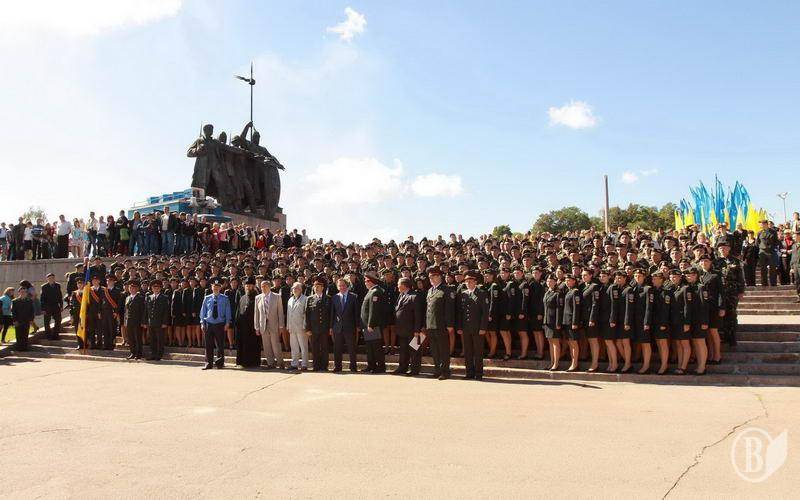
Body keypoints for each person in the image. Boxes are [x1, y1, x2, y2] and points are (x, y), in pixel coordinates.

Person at [456, 270, 490, 380]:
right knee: (468, 351)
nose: (468, 283)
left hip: (477, 327)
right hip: (466, 327)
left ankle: (479, 373)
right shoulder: (463, 294)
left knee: (478, 351)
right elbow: (460, 312)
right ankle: (469, 373)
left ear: (475, 282)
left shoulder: (481, 293)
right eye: (466, 281)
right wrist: (459, 327)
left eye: (470, 281)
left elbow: (485, 312)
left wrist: (483, 327)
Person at [424, 267, 455, 380]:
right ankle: (437, 370)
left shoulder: (447, 289)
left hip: (441, 324)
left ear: (439, 276)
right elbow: (428, 309)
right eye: (430, 277)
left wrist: (450, 324)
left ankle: (445, 371)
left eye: (433, 277)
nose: (431, 279)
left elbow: (449, 309)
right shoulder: (430, 290)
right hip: (430, 324)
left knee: (443, 350)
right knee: (434, 350)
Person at [200, 278, 232, 370]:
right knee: (208, 345)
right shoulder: (207, 298)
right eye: (214, 286)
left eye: (217, 286)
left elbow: (228, 311)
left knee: (220, 345)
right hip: (209, 324)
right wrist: (202, 323)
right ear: (211, 287)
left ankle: (219, 363)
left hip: (220, 324)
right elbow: (203, 311)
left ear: (220, 288)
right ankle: (208, 363)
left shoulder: (225, 298)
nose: (216, 288)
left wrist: (227, 323)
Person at [393, 277, 424, 375]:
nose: (397, 286)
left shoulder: (414, 296)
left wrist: (417, 330)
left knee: (414, 350)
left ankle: (415, 369)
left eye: (398, 284)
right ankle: (402, 367)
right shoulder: (401, 295)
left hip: (413, 330)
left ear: (403, 285)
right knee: (403, 350)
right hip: (402, 329)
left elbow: (418, 315)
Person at [254, 277, 286, 369]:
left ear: (269, 286)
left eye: (265, 286)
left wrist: (281, 326)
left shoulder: (277, 297)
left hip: (274, 325)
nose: (263, 288)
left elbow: (280, 312)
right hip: (263, 325)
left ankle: (280, 363)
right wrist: (256, 327)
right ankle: (270, 363)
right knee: (266, 346)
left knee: (276, 345)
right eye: (261, 286)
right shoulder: (258, 298)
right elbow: (256, 313)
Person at [330, 278, 359, 373]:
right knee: (337, 348)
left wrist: (357, 326)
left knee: (352, 348)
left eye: (343, 285)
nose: (342, 287)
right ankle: (338, 366)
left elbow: (356, 312)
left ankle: (353, 367)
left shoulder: (353, 297)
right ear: (337, 287)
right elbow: (332, 313)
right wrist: (331, 327)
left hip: (350, 326)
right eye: (340, 286)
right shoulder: (334, 297)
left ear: (347, 286)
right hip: (337, 327)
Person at [360, 272, 386, 374]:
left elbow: (373, 310)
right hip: (368, 325)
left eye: (366, 281)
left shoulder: (375, 292)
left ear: (371, 282)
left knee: (376, 347)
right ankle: (371, 365)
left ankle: (380, 367)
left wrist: (371, 324)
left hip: (373, 325)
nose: (365, 283)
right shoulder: (371, 291)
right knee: (370, 347)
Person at [305, 276, 331, 371]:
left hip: (324, 327)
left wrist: (330, 327)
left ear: (322, 287)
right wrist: (308, 328)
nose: (316, 288)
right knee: (314, 348)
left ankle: (324, 366)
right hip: (314, 328)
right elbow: (307, 315)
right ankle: (316, 365)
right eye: (315, 286)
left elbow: (330, 314)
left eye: (318, 286)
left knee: (324, 347)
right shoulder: (309, 299)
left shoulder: (328, 298)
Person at [235, 277, 262, 368]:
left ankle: (254, 363)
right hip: (243, 326)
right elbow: (238, 311)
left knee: (253, 344)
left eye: (250, 285)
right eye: (246, 286)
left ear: (254, 286)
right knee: (243, 344)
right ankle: (243, 362)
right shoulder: (242, 298)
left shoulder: (258, 297)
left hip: (253, 326)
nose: (248, 287)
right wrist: (237, 323)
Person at [286, 282, 309, 371]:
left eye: (296, 288)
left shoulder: (305, 299)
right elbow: (288, 314)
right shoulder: (290, 299)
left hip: (301, 327)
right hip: (292, 327)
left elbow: (306, 314)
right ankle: (294, 364)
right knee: (294, 346)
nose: (294, 290)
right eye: (293, 288)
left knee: (303, 347)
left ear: (301, 289)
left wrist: (305, 326)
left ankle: (304, 364)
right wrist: (288, 326)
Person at [145, 279, 170, 361]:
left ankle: (159, 355)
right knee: (152, 339)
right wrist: (145, 322)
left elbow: (166, 311)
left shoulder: (164, 298)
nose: (156, 289)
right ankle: (153, 354)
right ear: (152, 288)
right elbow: (146, 311)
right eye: (154, 287)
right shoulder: (149, 297)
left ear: (160, 288)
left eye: (158, 287)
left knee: (160, 339)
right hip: (151, 322)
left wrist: (164, 322)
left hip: (160, 322)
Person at [124, 280, 146, 360]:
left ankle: (138, 353)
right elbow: (126, 311)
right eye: (130, 288)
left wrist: (143, 322)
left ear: (137, 289)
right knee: (131, 338)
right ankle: (132, 353)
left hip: (137, 321)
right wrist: (125, 321)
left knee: (137, 338)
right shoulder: (128, 298)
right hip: (129, 321)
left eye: (134, 288)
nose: (132, 289)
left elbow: (143, 311)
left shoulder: (140, 298)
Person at [101, 275, 123, 350]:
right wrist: (100, 311)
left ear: (114, 282)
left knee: (112, 328)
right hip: (104, 312)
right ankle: (106, 344)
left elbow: (119, 302)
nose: (109, 282)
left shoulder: (117, 290)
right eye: (108, 281)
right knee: (105, 328)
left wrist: (116, 312)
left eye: (111, 281)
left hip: (112, 312)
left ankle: (111, 345)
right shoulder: (103, 290)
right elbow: (101, 302)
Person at [39, 273, 63, 340]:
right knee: (47, 321)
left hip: (56, 306)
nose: (51, 279)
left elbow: (60, 296)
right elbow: (42, 298)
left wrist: (61, 305)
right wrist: (43, 308)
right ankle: (48, 335)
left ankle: (56, 335)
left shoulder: (58, 285)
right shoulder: (44, 286)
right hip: (47, 306)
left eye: (53, 278)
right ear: (47, 279)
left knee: (58, 320)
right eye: (50, 278)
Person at [756, 220, 778, 286]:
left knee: (772, 268)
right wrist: (761, 247)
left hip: (771, 252)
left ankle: (773, 283)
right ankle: (764, 283)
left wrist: (771, 247)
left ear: (765, 224)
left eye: (761, 224)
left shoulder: (773, 232)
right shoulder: (759, 233)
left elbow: (776, 241)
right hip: (762, 252)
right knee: (763, 268)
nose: (760, 225)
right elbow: (757, 243)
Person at [11, 286, 34, 350]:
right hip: (18, 320)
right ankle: (19, 347)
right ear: (19, 292)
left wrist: (31, 320)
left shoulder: (29, 301)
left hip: (26, 320)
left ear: (26, 293)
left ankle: (25, 347)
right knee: (18, 334)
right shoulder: (14, 301)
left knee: (25, 334)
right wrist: (14, 320)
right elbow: (13, 312)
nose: (23, 293)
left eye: (24, 292)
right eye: (21, 292)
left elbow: (32, 311)